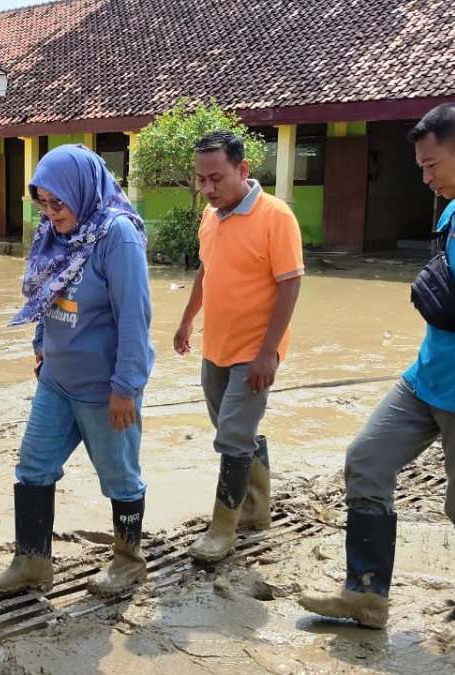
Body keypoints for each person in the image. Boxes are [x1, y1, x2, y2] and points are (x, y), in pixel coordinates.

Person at [299, 103, 455, 628]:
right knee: (366, 460)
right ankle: (366, 596)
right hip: (424, 380)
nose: (426, 177)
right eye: (420, 167)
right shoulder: (453, 209)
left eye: (432, 165)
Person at [0, 144, 155, 598]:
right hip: (56, 380)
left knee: (119, 477)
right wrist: (41, 349)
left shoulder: (117, 236)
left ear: (83, 190)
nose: (51, 213)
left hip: (104, 387)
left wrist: (126, 388)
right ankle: (32, 562)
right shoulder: (54, 232)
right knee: (33, 466)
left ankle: (129, 560)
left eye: (59, 203)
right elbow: (45, 294)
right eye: (43, 203)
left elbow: (136, 318)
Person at [174, 130, 304, 563]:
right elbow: (206, 272)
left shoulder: (276, 217)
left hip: (255, 350)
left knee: (232, 436)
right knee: (232, 429)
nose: (208, 189)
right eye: (201, 180)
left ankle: (222, 530)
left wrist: (269, 352)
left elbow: (290, 285)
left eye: (217, 178)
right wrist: (188, 319)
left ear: (243, 170)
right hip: (217, 344)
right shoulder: (211, 217)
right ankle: (255, 509)